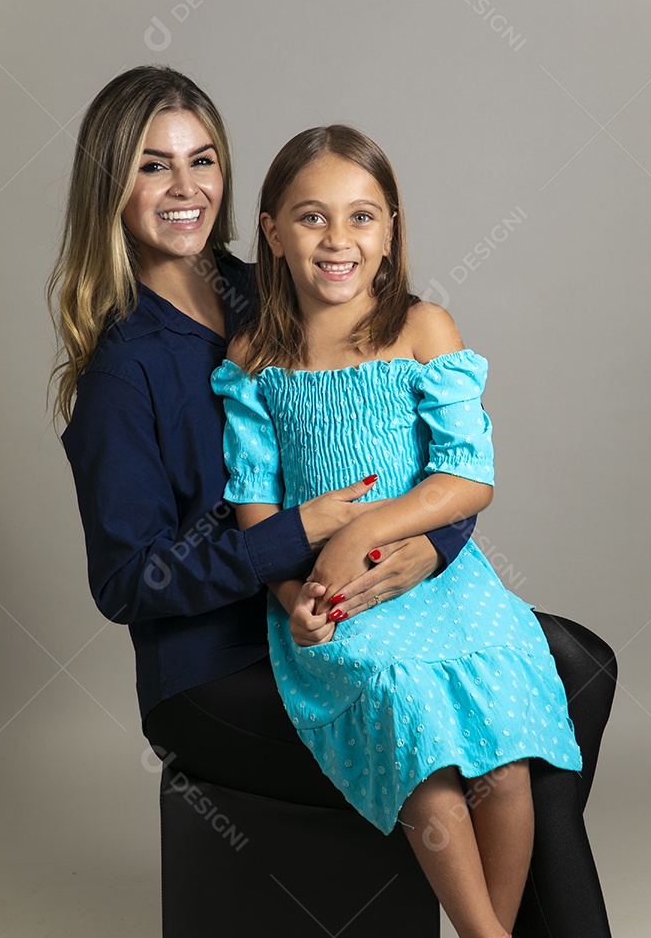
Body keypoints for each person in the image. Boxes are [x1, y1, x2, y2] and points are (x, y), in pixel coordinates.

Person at [49, 66, 615, 937]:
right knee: (516, 740)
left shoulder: (264, 290)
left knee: (575, 670)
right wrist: (296, 542)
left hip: (374, 598)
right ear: (110, 184)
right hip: (217, 668)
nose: (185, 188)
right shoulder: (121, 370)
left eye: (202, 160)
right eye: (152, 166)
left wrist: (431, 547)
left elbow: (415, 457)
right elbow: (127, 583)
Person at [210, 125, 601, 938]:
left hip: (443, 581)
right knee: (410, 711)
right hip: (340, 602)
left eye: (362, 217)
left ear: (390, 232)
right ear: (273, 234)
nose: (338, 239)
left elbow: (468, 477)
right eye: (311, 218)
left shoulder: (425, 330)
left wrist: (372, 526)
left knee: (506, 725)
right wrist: (294, 596)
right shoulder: (255, 358)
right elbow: (256, 505)